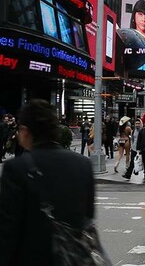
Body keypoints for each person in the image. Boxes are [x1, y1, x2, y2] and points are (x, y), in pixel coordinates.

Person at [0, 99, 96, 264]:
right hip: (72, 258)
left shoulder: (16, 168)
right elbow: (88, 216)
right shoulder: (83, 164)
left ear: (25, 131)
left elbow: (8, 229)